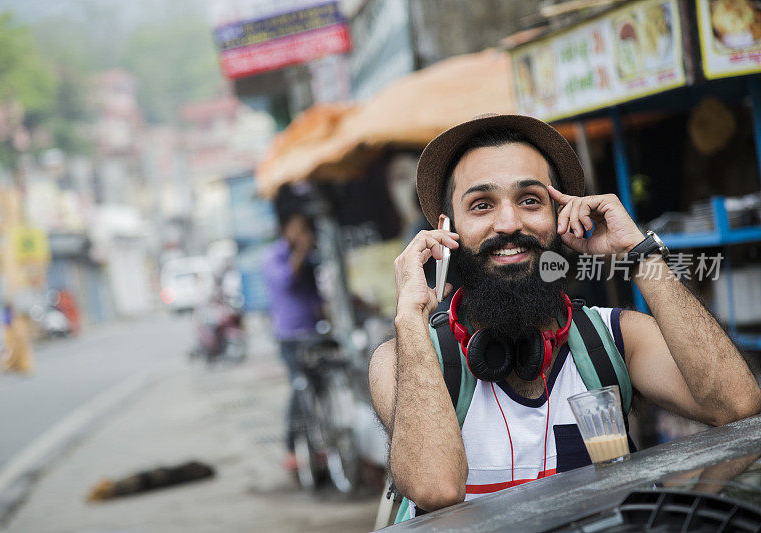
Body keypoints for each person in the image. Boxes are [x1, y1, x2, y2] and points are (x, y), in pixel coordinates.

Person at [368, 114, 761, 518]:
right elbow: (436, 489)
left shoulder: (613, 340)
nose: (509, 224)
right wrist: (411, 315)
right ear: (445, 233)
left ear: (562, 216)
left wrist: (638, 254)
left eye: (530, 201)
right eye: (482, 205)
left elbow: (737, 407)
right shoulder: (403, 360)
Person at [263, 210, 323, 471]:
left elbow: (316, 295)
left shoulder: (309, 259)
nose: (303, 235)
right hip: (290, 337)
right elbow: (286, 282)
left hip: (313, 333)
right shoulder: (273, 257)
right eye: (298, 229)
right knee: (300, 389)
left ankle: (316, 443)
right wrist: (300, 250)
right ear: (286, 230)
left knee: (319, 389)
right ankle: (291, 448)